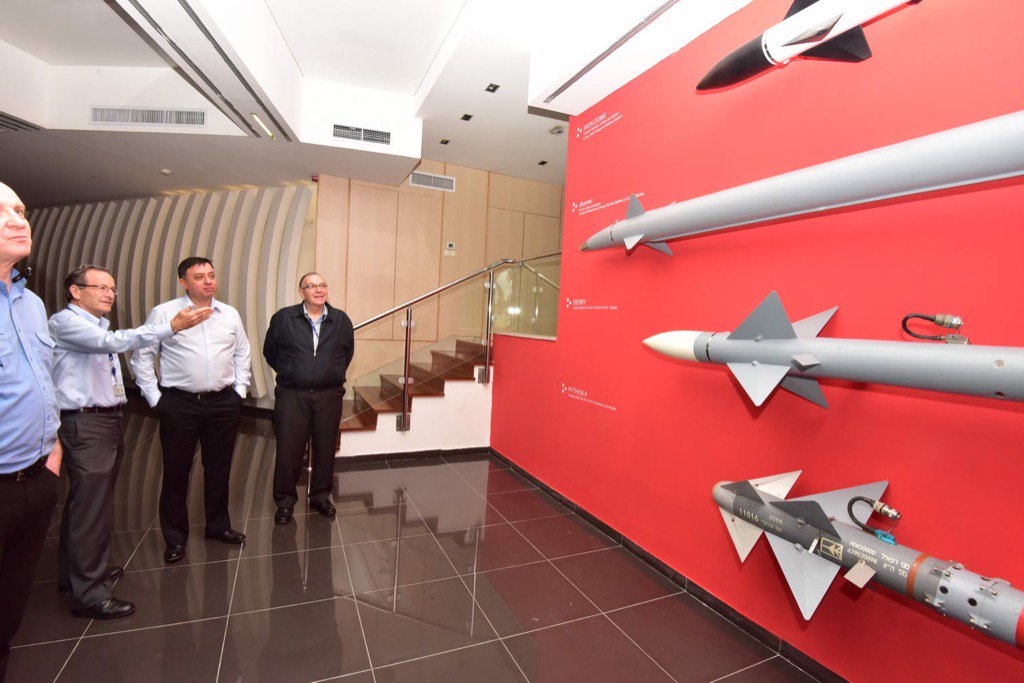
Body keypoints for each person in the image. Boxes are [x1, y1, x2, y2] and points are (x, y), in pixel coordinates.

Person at [49, 265, 212, 619]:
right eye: (101, 287)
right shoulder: (66, 323)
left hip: (105, 420)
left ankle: (76, 576)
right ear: (75, 291)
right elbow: (114, 343)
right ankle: (89, 594)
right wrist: (170, 327)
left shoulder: (96, 325)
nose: (109, 294)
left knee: (89, 504)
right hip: (85, 423)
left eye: (112, 288)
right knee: (90, 508)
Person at [131, 257, 251, 563]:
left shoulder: (229, 314)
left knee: (219, 469)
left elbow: (242, 353)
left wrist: (239, 391)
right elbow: (143, 356)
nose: (208, 281)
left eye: (211, 275)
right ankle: (175, 537)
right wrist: (156, 399)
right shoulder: (164, 313)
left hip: (223, 403)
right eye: (199, 277)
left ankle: (218, 526)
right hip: (179, 404)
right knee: (176, 472)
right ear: (184, 282)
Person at [0, 181, 62, 680]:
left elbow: (41, 378)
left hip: (37, 476)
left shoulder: (32, 303)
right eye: (0, 212)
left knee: (10, 600)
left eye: (19, 209)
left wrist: (52, 448)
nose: (17, 220)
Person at [263, 273, 354, 524]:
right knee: (289, 450)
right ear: (301, 291)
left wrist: (327, 374)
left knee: (325, 448)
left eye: (323, 285)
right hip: (292, 395)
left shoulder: (341, 320)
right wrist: (292, 371)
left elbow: (346, 354)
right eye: (312, 286)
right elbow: (270, 351)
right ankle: (285, 502)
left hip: (328, 396)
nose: (319, 290)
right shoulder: (284, 318)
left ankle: (320, 497)